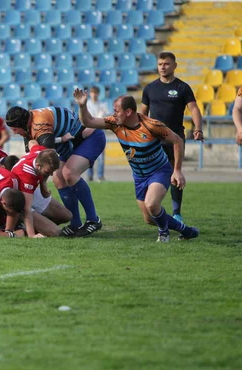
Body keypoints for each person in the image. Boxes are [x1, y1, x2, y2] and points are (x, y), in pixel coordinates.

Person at [73, 88, 199, 242]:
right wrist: (82, 106)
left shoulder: (152, 125)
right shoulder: (115, 123)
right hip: (139, 176)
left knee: (152, 204)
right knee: (149, 218)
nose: (113, 114)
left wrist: (177, 171)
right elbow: (88, 122)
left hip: (159, 171)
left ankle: (163, 233)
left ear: (128, 112)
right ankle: (186, 231)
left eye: (116, 111)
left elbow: (177, 140)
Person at [5, 105, 105, 237]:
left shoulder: (40, 125)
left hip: (89, 139)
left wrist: (44, 185)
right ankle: (75, 224)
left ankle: (93, 219)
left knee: (69, 173)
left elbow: (47, 158)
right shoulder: (29, 124)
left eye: (15, 129)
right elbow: (34, 149)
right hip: (70, 144)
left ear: (22, 124)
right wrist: (61, 139)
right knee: (58, 178)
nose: (14, 132)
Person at [140, 52, 204, 224]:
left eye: (166, 64)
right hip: (154, 140)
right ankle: (154, 208)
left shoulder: (183, 87)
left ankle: (177, 213)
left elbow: (194, 109)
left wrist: (198, 128)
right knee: (151, 174)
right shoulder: (150, 88)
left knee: (176, 173)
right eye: (160, 64)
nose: (163, 67)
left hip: (176, 139)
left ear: (174, 66)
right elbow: (142, 115)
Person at [6, 142, 72, 237]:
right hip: (21, 198)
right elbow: (26, 209)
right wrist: (32, 235)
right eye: (48, 172)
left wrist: (43, 183)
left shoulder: (41, 153)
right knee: (56, 232)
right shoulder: (26, 174)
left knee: (67, 216)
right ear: (38, 165)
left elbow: (32, 142)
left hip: (32, 190)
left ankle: (41, 226)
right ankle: (25, 229)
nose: (51, 175)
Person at [86, 86, 110, 182]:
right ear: (90, 94)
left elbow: (108, 116)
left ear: (98, 94)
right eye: (92, 93)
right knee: (89, 155)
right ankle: (90, 176)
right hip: (89, 131)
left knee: (101, 157)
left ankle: (100, 176)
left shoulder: (102, 105)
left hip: (99, 131)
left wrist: (102, 115)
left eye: (95, 93)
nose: (94, 95)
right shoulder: (87, 104)